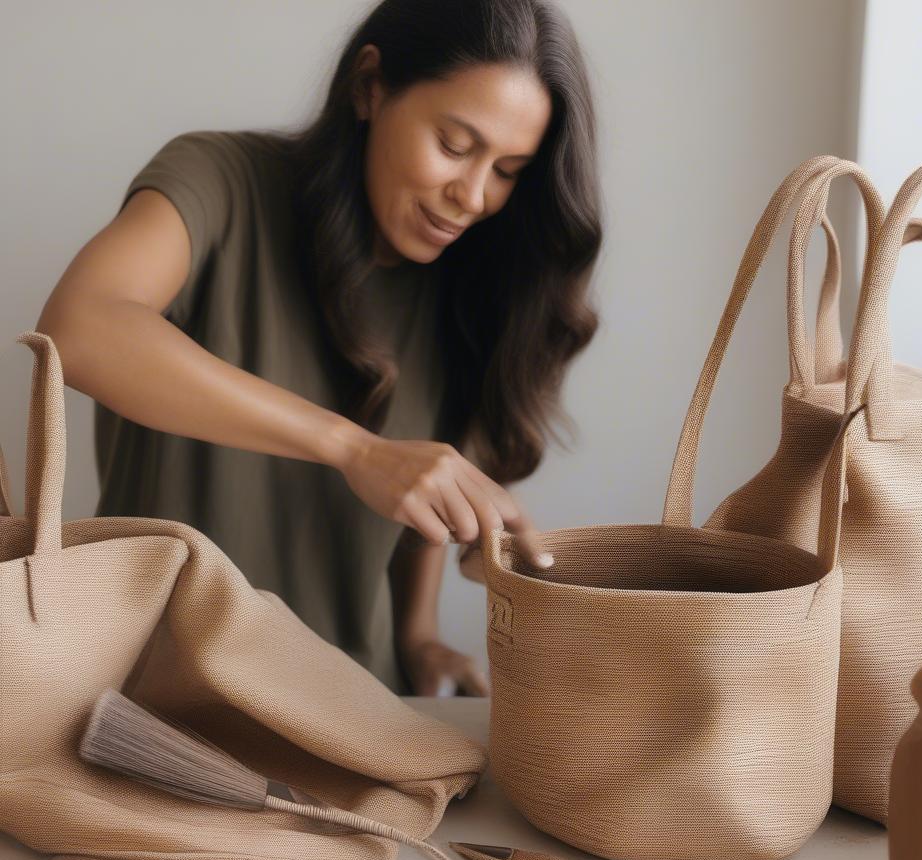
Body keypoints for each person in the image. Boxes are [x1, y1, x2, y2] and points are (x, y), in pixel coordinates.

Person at [35, 0, 602, 696]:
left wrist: (419, 639)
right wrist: (355, 449)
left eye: (509, 170)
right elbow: (80, 325)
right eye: (455, 146)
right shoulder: (222, 181)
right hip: (153, 715)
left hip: (357, 717)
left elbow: (429, 482)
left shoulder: (478, 286)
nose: (473, 195)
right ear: (370, 86)